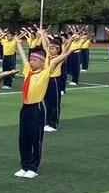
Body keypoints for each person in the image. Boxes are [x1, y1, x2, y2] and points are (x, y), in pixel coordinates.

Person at [14, 38, 73, 179]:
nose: (31, 61)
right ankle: (24, 165)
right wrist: (18, 43)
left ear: (42, 61)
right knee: (23, 138)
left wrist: (68, 52)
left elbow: (54, 61)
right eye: (31, 59)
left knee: (36, 138)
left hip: (37, 109)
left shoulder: (45, 73)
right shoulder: (28, 71)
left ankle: (33, 167)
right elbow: (22, 56)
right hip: (25, 108)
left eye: (35, 59)